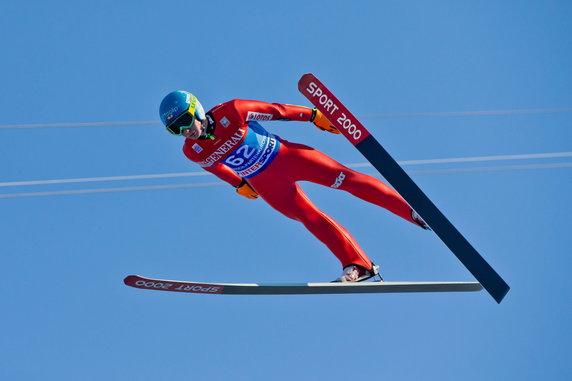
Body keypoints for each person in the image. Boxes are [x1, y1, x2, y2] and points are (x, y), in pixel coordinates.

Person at [159, 90, 430, 282]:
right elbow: (215, 166)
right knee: (309, 217)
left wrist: (314, 116)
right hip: (266, 184)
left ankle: (412, 211)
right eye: (175, 130)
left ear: (196, 109)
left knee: (347, 180)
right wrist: (238, 184)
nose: (185, 131)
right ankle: (359, 265)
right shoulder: (192, 151)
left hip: (288, 158)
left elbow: (277, 111)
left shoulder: (233, 110)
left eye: (184, 121)